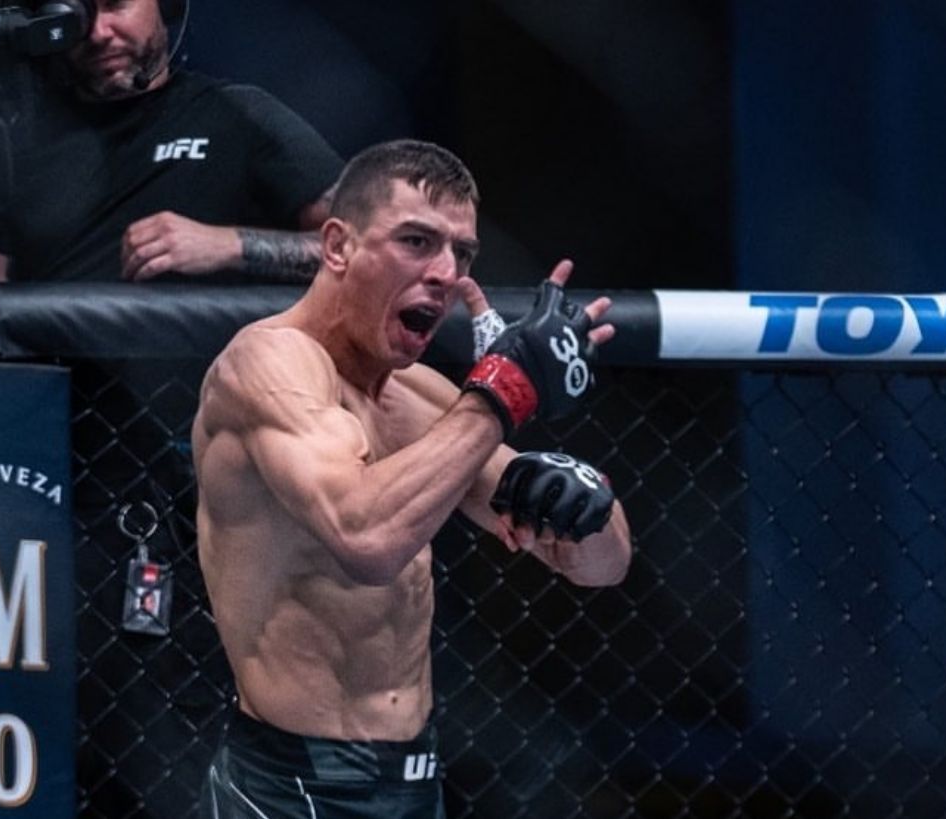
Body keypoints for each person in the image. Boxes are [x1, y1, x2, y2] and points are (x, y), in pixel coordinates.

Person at [190, 139, 632, 817]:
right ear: (338, 246)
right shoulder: (266, 365)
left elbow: (603, 564)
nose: (445, 273)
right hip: (288, 789)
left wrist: (578, 496)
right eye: (417, 241)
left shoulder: (421, 399)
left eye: (463, 254)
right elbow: (366, 537)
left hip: (415, 782)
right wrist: (503, 394)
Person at [0, 0, 342, 283]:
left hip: (205, 401)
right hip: (48, 403)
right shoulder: (12, 138)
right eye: (78, 14)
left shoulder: (236, 114)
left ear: (164, 6)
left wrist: (228, 246)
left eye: (117, 4)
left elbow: (358, 249)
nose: (99, 33)